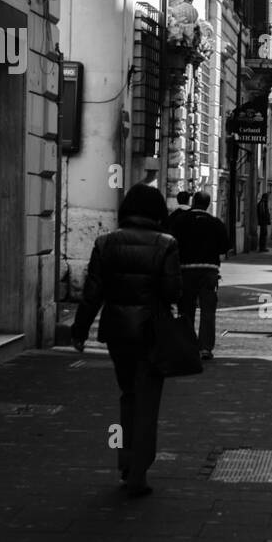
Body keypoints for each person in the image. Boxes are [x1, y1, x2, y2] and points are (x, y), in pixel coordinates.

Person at [71, 183, 182, 498]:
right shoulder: (166, 244)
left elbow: (91, 294)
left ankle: (124, 459)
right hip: (151, 333)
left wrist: (79, 331)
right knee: (148, 402)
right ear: (158, 213)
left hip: (118, 333)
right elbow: (174, 292)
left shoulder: (105, 243)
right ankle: (138, 472)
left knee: (128, 396)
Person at [167, 190, 230, 362]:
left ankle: (186, 346)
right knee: (208, 311)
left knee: (186, 310)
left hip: (186, 270)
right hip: (209, 271)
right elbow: (225, 246)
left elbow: (170, 243)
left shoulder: (180, 221)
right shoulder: (215, 223)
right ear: (208, 204)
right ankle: (205, 348)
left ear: (193, 202)